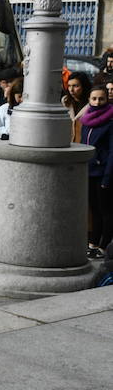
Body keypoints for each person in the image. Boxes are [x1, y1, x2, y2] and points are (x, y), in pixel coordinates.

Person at [81, 85, 113, 259]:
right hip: (89, 171)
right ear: (89, 100)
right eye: (94, 99)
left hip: (103, 173)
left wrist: (107, 177)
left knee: (106, 210)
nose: (97, 102)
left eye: (101, 99)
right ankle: (93, 242)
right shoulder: (86, 121)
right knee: (94, 209)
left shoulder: (110, 122)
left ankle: (104, 245)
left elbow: (111, 151)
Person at [63, 72, 90, 143]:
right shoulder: (65, 101)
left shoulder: (92, 103)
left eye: (75, 86)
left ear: (84, 86)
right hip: (67, 142)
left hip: (84, 142)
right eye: (69, 86)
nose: (71, 89)